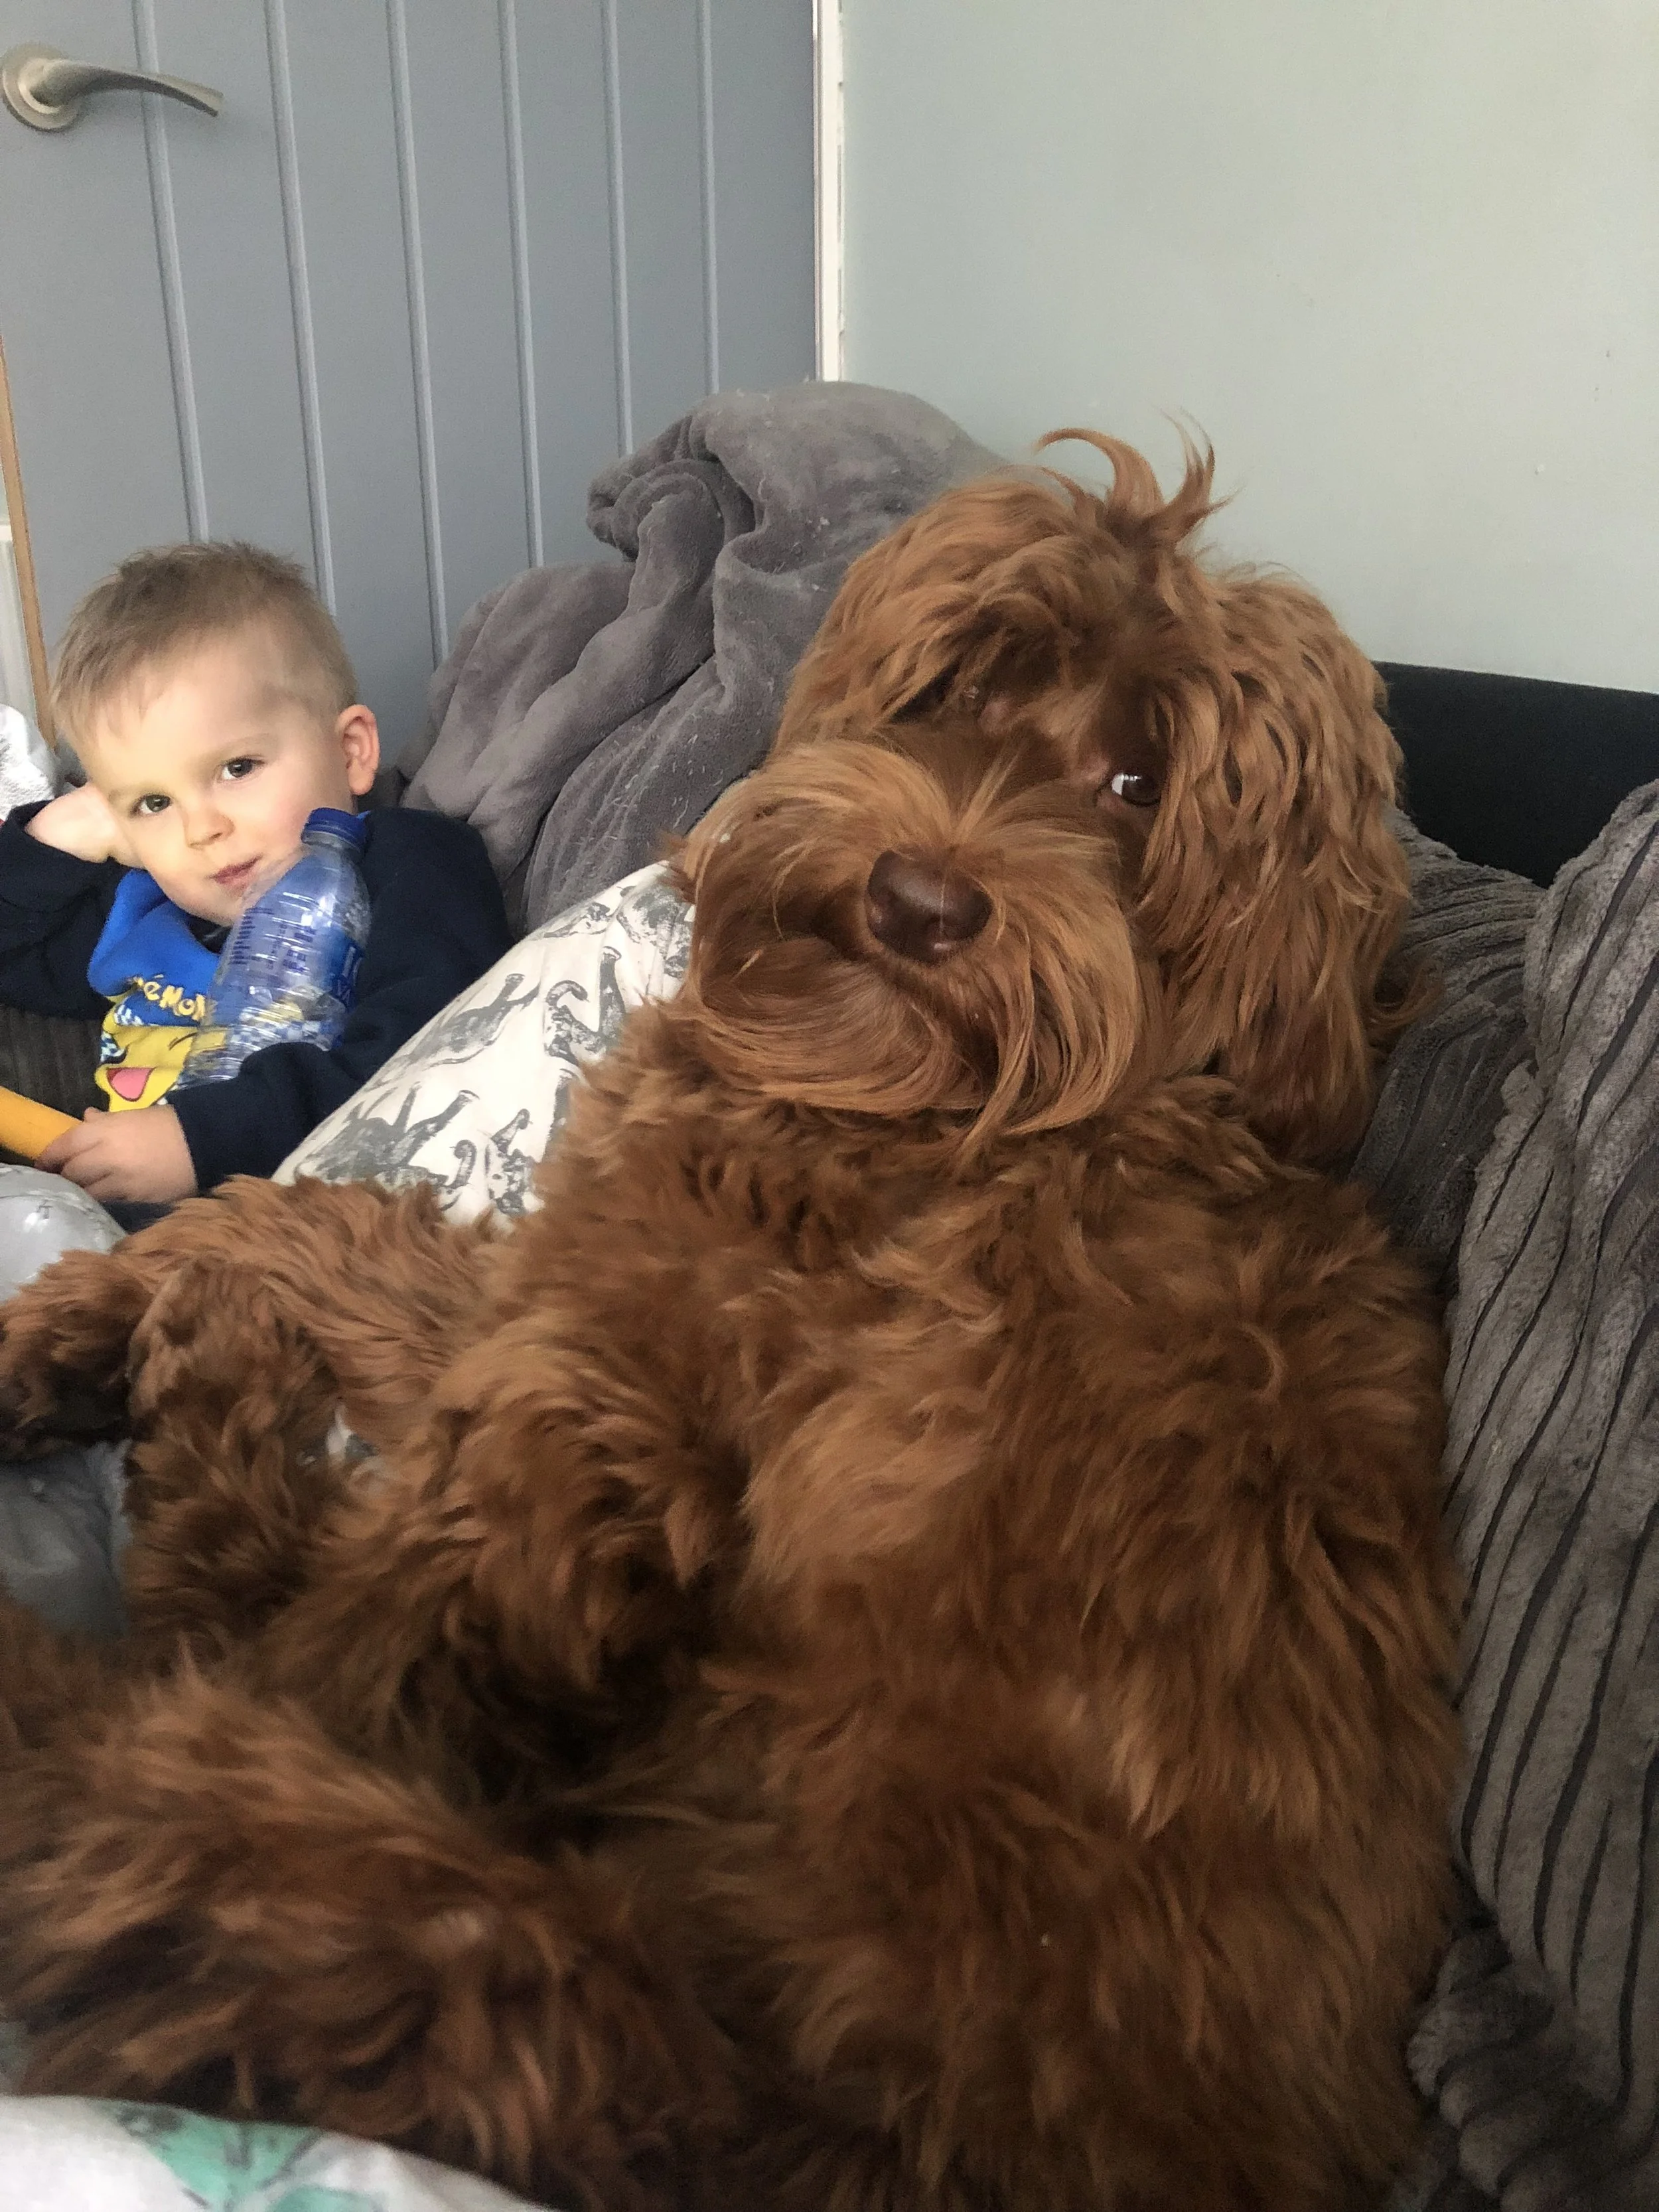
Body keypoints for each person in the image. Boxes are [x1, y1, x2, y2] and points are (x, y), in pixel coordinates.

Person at [0, 542, 511, 1211]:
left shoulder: (405, 863)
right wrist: (59, 834)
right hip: (124, 1248)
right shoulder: (141, 910)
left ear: (350, 751)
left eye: (236, 768)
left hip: (317, 1236)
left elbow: (431, 1049)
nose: (200, 829)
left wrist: (202, 1140)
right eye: (154, 803)